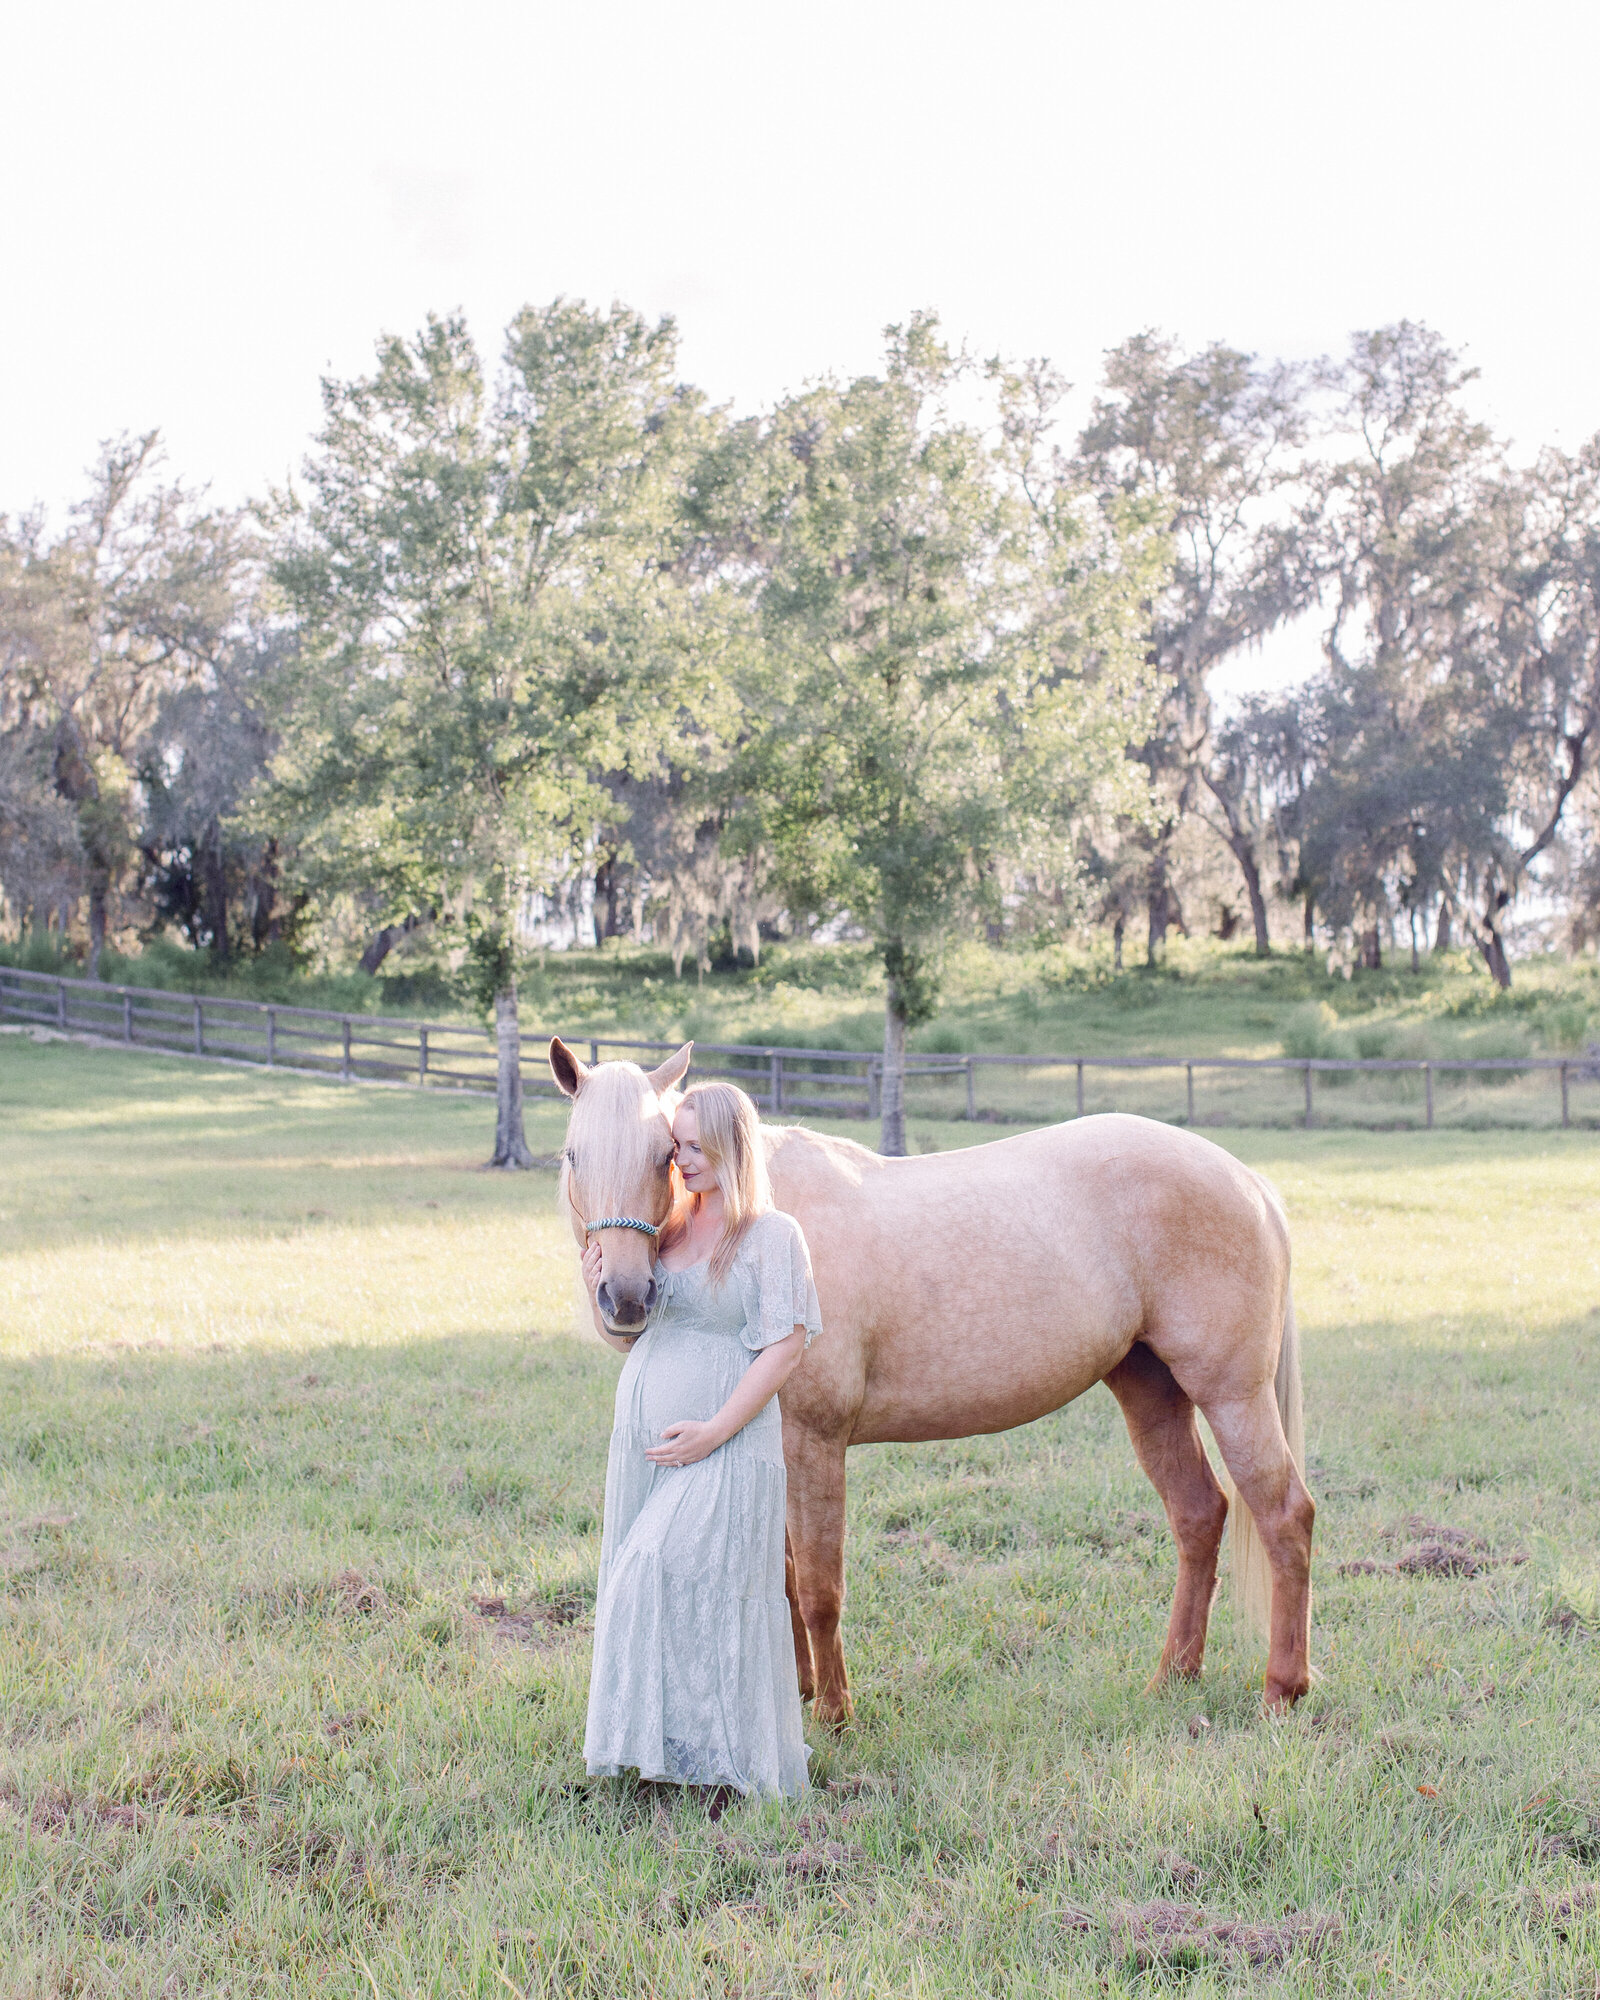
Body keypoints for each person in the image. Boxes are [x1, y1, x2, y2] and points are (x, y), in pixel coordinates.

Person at [580, 1079, 821, 1806]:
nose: (678, 1161)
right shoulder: (672, 1231)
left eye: (690, 1147)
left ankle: (729, 1753)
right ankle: (670, 1750)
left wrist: (715, 1430)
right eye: (673, 1148)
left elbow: (785, 1349)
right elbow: (634, 1343)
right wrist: (597, 1295)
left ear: (730, 1145)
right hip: (648, 1439)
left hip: (728, 1439)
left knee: (659, 1572)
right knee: (670, 1589)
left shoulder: (773, 1236)